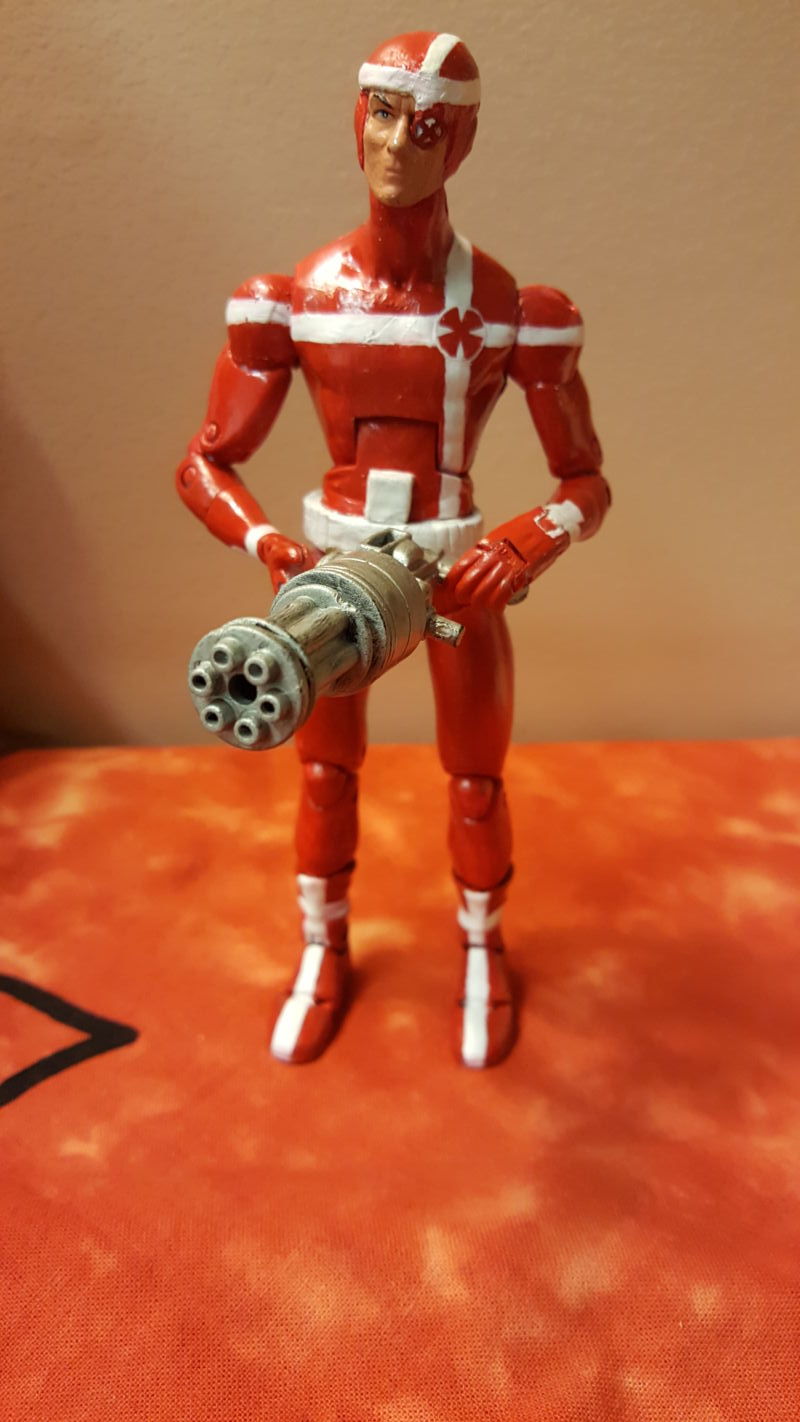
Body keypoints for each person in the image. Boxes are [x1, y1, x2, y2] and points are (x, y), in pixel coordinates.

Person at [175, 32, 610, 1069]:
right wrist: (268, 543)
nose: (396, 146)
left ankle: (482, 953)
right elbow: (203, 463)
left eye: (426, 127)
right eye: (380, 114)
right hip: (330, 577)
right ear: (353, 118)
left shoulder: (511, 309)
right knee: (325, 774)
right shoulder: (299, 297)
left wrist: (527, 541)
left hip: (454, 584)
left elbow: (584, 484)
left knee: (474, 783)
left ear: (461, 141)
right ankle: (321, 953)